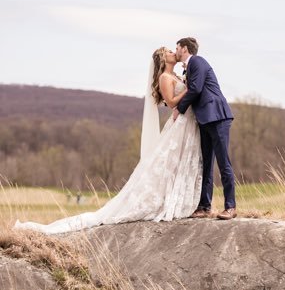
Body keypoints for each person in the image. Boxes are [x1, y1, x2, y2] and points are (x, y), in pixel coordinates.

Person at [14, 47, 202, 234]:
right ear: (163, 59)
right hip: (179, 122)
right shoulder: (164, 78)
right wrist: (189, 90)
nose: (172, 52)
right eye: (168, 51)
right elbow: (170, 102)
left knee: (178, 162)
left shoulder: (176, 75)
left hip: (185, 122)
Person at [173, 37, 236, 220]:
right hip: (204, 119)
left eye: (177, 48)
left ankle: (230, 207)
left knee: (223, 163)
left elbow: (196, 88)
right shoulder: (189, 67)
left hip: (217, 116)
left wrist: (180, 108)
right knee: (206, 164)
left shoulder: (198, 62)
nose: (175, 51)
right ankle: (204, 206)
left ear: (184, 49)